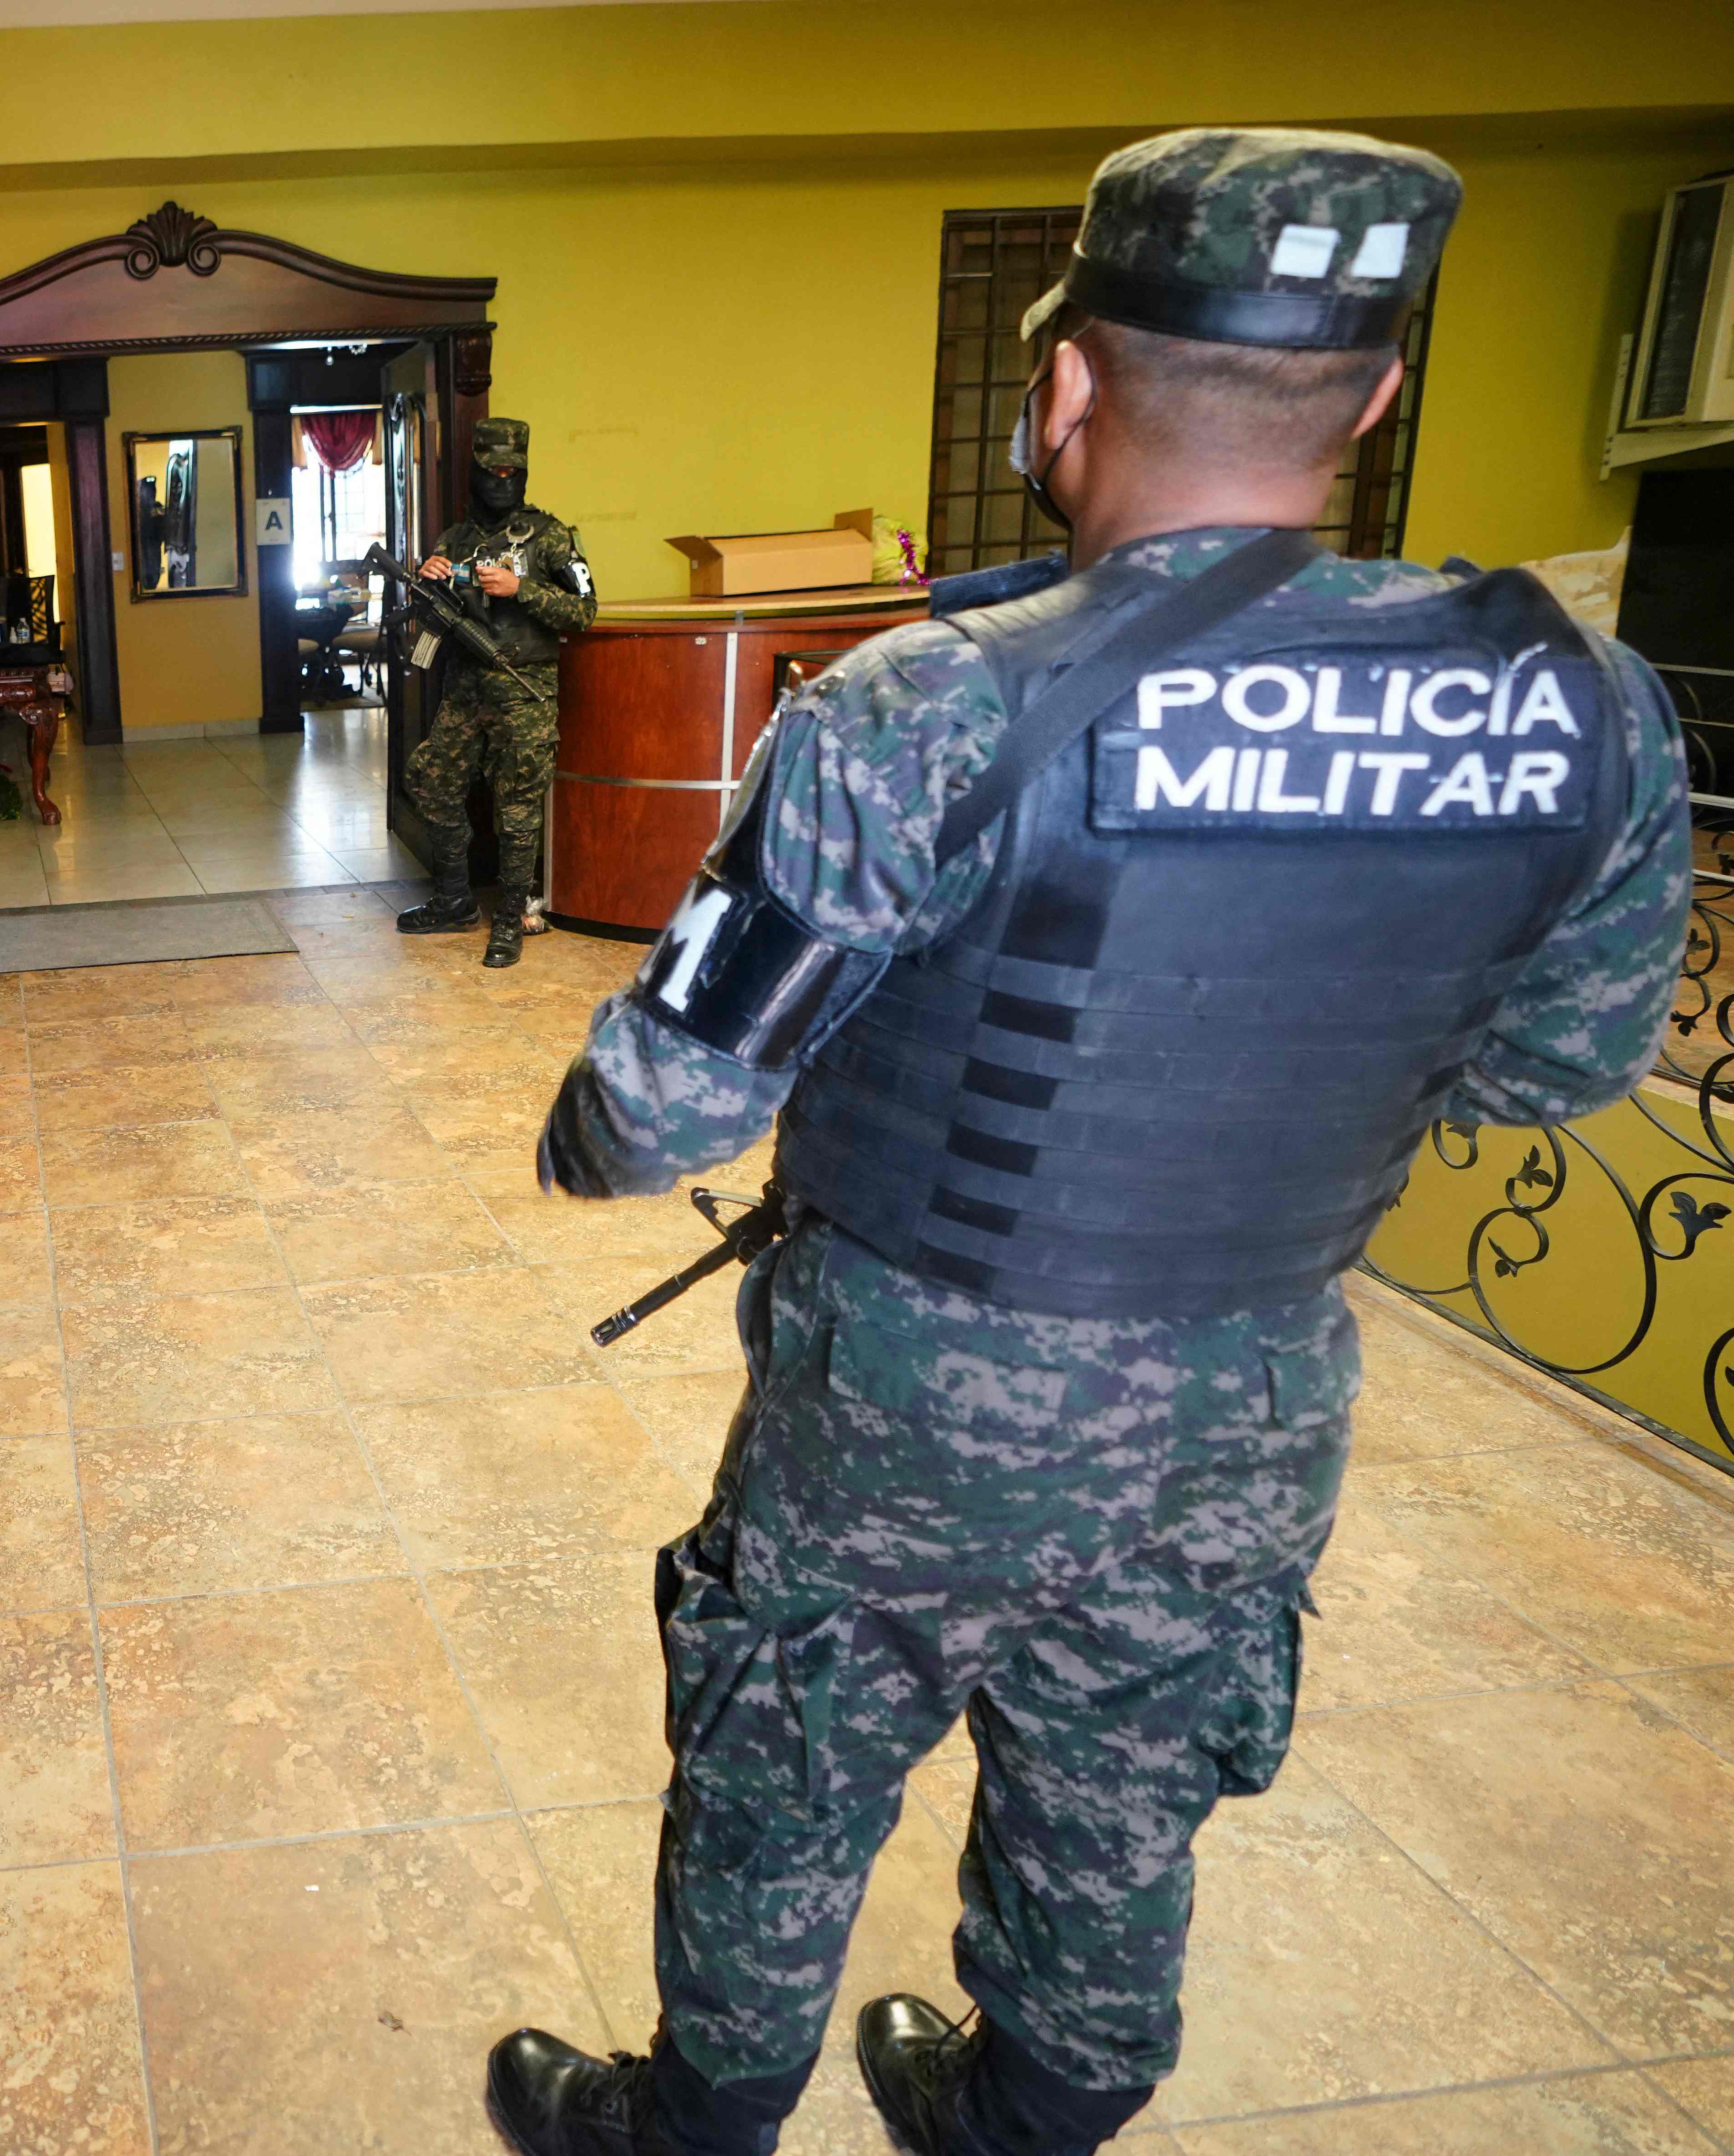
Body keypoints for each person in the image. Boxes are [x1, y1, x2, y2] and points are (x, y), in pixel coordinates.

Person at [484, 127, 1691, 2156]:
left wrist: (580, 1135)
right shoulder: (1583, 707)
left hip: (913, 1391)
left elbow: (657, 1106)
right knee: (1125, 1765)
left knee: (788, 1752)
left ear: (1060, 389)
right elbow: (1547, 1074)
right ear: (1373, 398)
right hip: (1255, 1388)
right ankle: (1019, 2115)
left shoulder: (923, 710)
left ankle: (691, 2127)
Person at [397, 414, 597, 967]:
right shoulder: (456, 539)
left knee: (517, 808)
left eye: (514, 473)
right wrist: (429, 579)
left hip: (524, 690)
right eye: (494, 472)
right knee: (430, 780)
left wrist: (521, 588)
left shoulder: (550, 536)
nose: (503, 482)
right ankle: (455, 900)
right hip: (464, 690)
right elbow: (433, 618)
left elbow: (585, 610)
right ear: (477, 472)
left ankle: (510, 918)